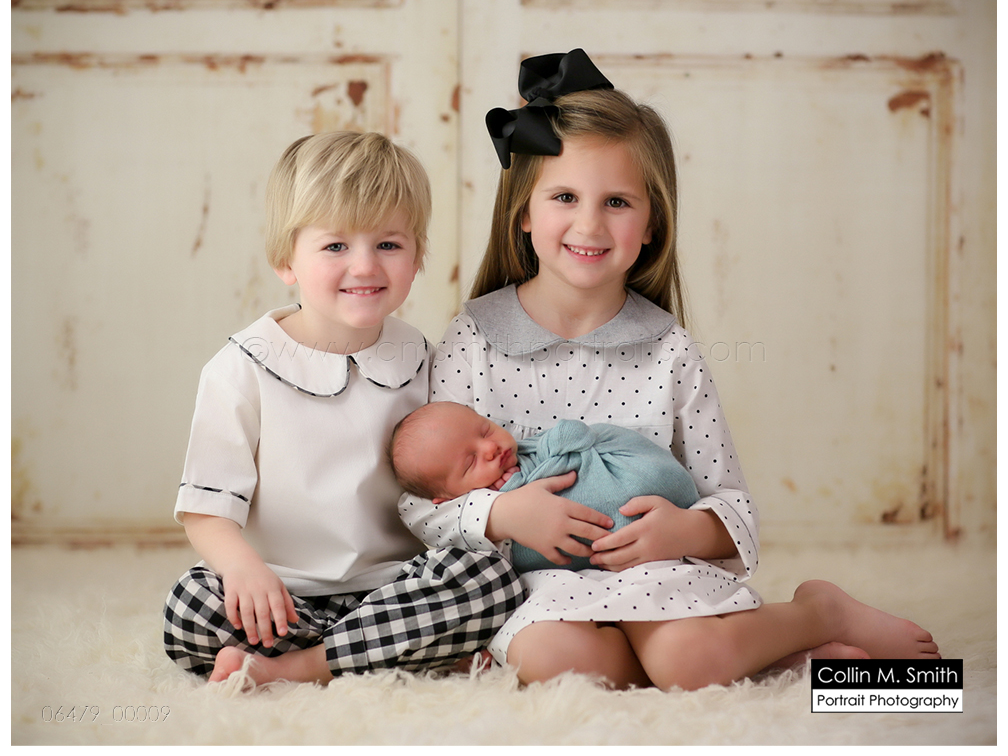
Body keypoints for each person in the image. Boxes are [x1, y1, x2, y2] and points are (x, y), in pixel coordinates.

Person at [398, 50, 940, 691]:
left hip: (656, 574)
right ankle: (756, 656)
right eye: (564, 196)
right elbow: (421, 504)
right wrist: (503, 517)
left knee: (685, 659)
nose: (589, 223)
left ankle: (816, 612)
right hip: (540, 590)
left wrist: (685, 529)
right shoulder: (475, 339)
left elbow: (732, 504)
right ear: (523, 212)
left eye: (617, 201)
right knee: (548, 662)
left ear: (652, 221)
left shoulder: (668, 350)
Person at [163, 131, 524, 687]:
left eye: (388, 245)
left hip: (400, 585)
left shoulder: (422, 356)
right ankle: (392, 653)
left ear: (417, 256)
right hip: (286, 594)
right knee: (191, 605)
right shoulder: (242, 368)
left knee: (488, 575)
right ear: (286, 259)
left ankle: (299, 668)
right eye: (335, 246)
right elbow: (206, 510)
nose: (364, 266)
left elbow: (458, 473)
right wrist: (243, 570)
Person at [390, 400, 700, 572]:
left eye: (485, 431)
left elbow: (573, 434)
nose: (490, 448)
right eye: (471, 462)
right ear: (447, 498)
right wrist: (507, 500)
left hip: (664, 532)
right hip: (574, 584)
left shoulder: (531, 449)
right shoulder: (471, 520)